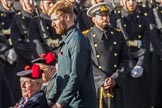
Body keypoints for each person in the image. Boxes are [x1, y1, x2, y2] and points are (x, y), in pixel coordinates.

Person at [47, 1, 97, 108]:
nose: (52, 24)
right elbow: (60, 76)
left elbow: (76, 77)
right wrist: (51, 99)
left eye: (55, 20)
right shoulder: (67, 39)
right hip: (69, 102)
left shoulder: (77, 41)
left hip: (79, 104)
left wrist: (60, 103)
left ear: (67, 18)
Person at [85, 2, 130, 108]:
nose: (105, 18)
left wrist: (115, 78)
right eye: (101, 16)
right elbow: (85, 62)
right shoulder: (86, 37)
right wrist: (102, 79)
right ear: (94, 19)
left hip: (116, 85)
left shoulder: (118, 34)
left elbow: (126, 59)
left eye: (107, 15)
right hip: (96, 86)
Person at [110, 0, 152, 107]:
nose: (131, 3)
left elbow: (146, 43)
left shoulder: (142, 18)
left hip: (139, 64)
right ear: (121, 2)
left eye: (133, 0)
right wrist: (128, 65)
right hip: (123, 67)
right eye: (128, 0)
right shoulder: (115, 18)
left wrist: (140, 65)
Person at [11, 0, 35, 102]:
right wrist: (35, 57)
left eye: (33, 0)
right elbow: (18, 44)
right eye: (27, 0)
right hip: (24, 64)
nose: (31, 2)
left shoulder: (39, 19)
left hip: (39, 65)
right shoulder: (17, 19)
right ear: (21, 2)